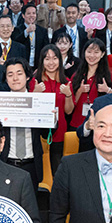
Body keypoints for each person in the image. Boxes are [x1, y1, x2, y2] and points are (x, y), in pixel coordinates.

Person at [0, 58, 43, 195]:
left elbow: (47, 134)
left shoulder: (39, 102)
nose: (15, 78)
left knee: (29, 205)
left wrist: (51, 119)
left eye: (19, 73)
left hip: (32, 165)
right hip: (6, 163)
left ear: (27, 76)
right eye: (10, 74)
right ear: (6, 79)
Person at [29, 45, 74, 175]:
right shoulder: (35, 81)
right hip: (39, 131)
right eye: (47, 58)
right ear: (42, 61)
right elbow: (29, 110)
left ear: (60, 60)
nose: (51, 62)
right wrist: (35, 93)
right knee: (39, 168)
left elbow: (69, 111)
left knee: (57, 169)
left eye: (54, 58)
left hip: (59, 131)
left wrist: (68, 95)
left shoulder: (66, 82)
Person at [69, 38, 112, 136]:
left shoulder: (109, 76)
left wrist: (108, 90)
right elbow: (70, 106)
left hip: (100, 125)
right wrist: (80, 91)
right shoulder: (76, 75)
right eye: (89, 52)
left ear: (102, 54)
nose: (92, 55)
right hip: (77, 123)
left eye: (96, 52)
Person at [13, 3, 50, 68]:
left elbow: (46, 49)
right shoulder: (17, 30)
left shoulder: (43, 31)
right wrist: (26, 32)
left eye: (33, 13)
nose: (31, 15)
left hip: (38, 65)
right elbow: (15, 43)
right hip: (22, 64)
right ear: (23, 15)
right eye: (28, 13)